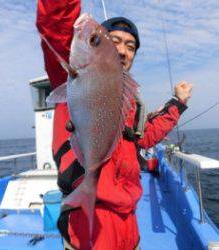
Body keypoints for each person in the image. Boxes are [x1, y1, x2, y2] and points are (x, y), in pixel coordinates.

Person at [36, 1, 193, 249]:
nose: (122, 51)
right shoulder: (72, 73)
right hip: (89, 228)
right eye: (113, 41)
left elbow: (145, 137)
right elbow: (56, 25)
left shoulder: (129, 104)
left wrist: (178, 103)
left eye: (130, 47)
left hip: (130, 227)